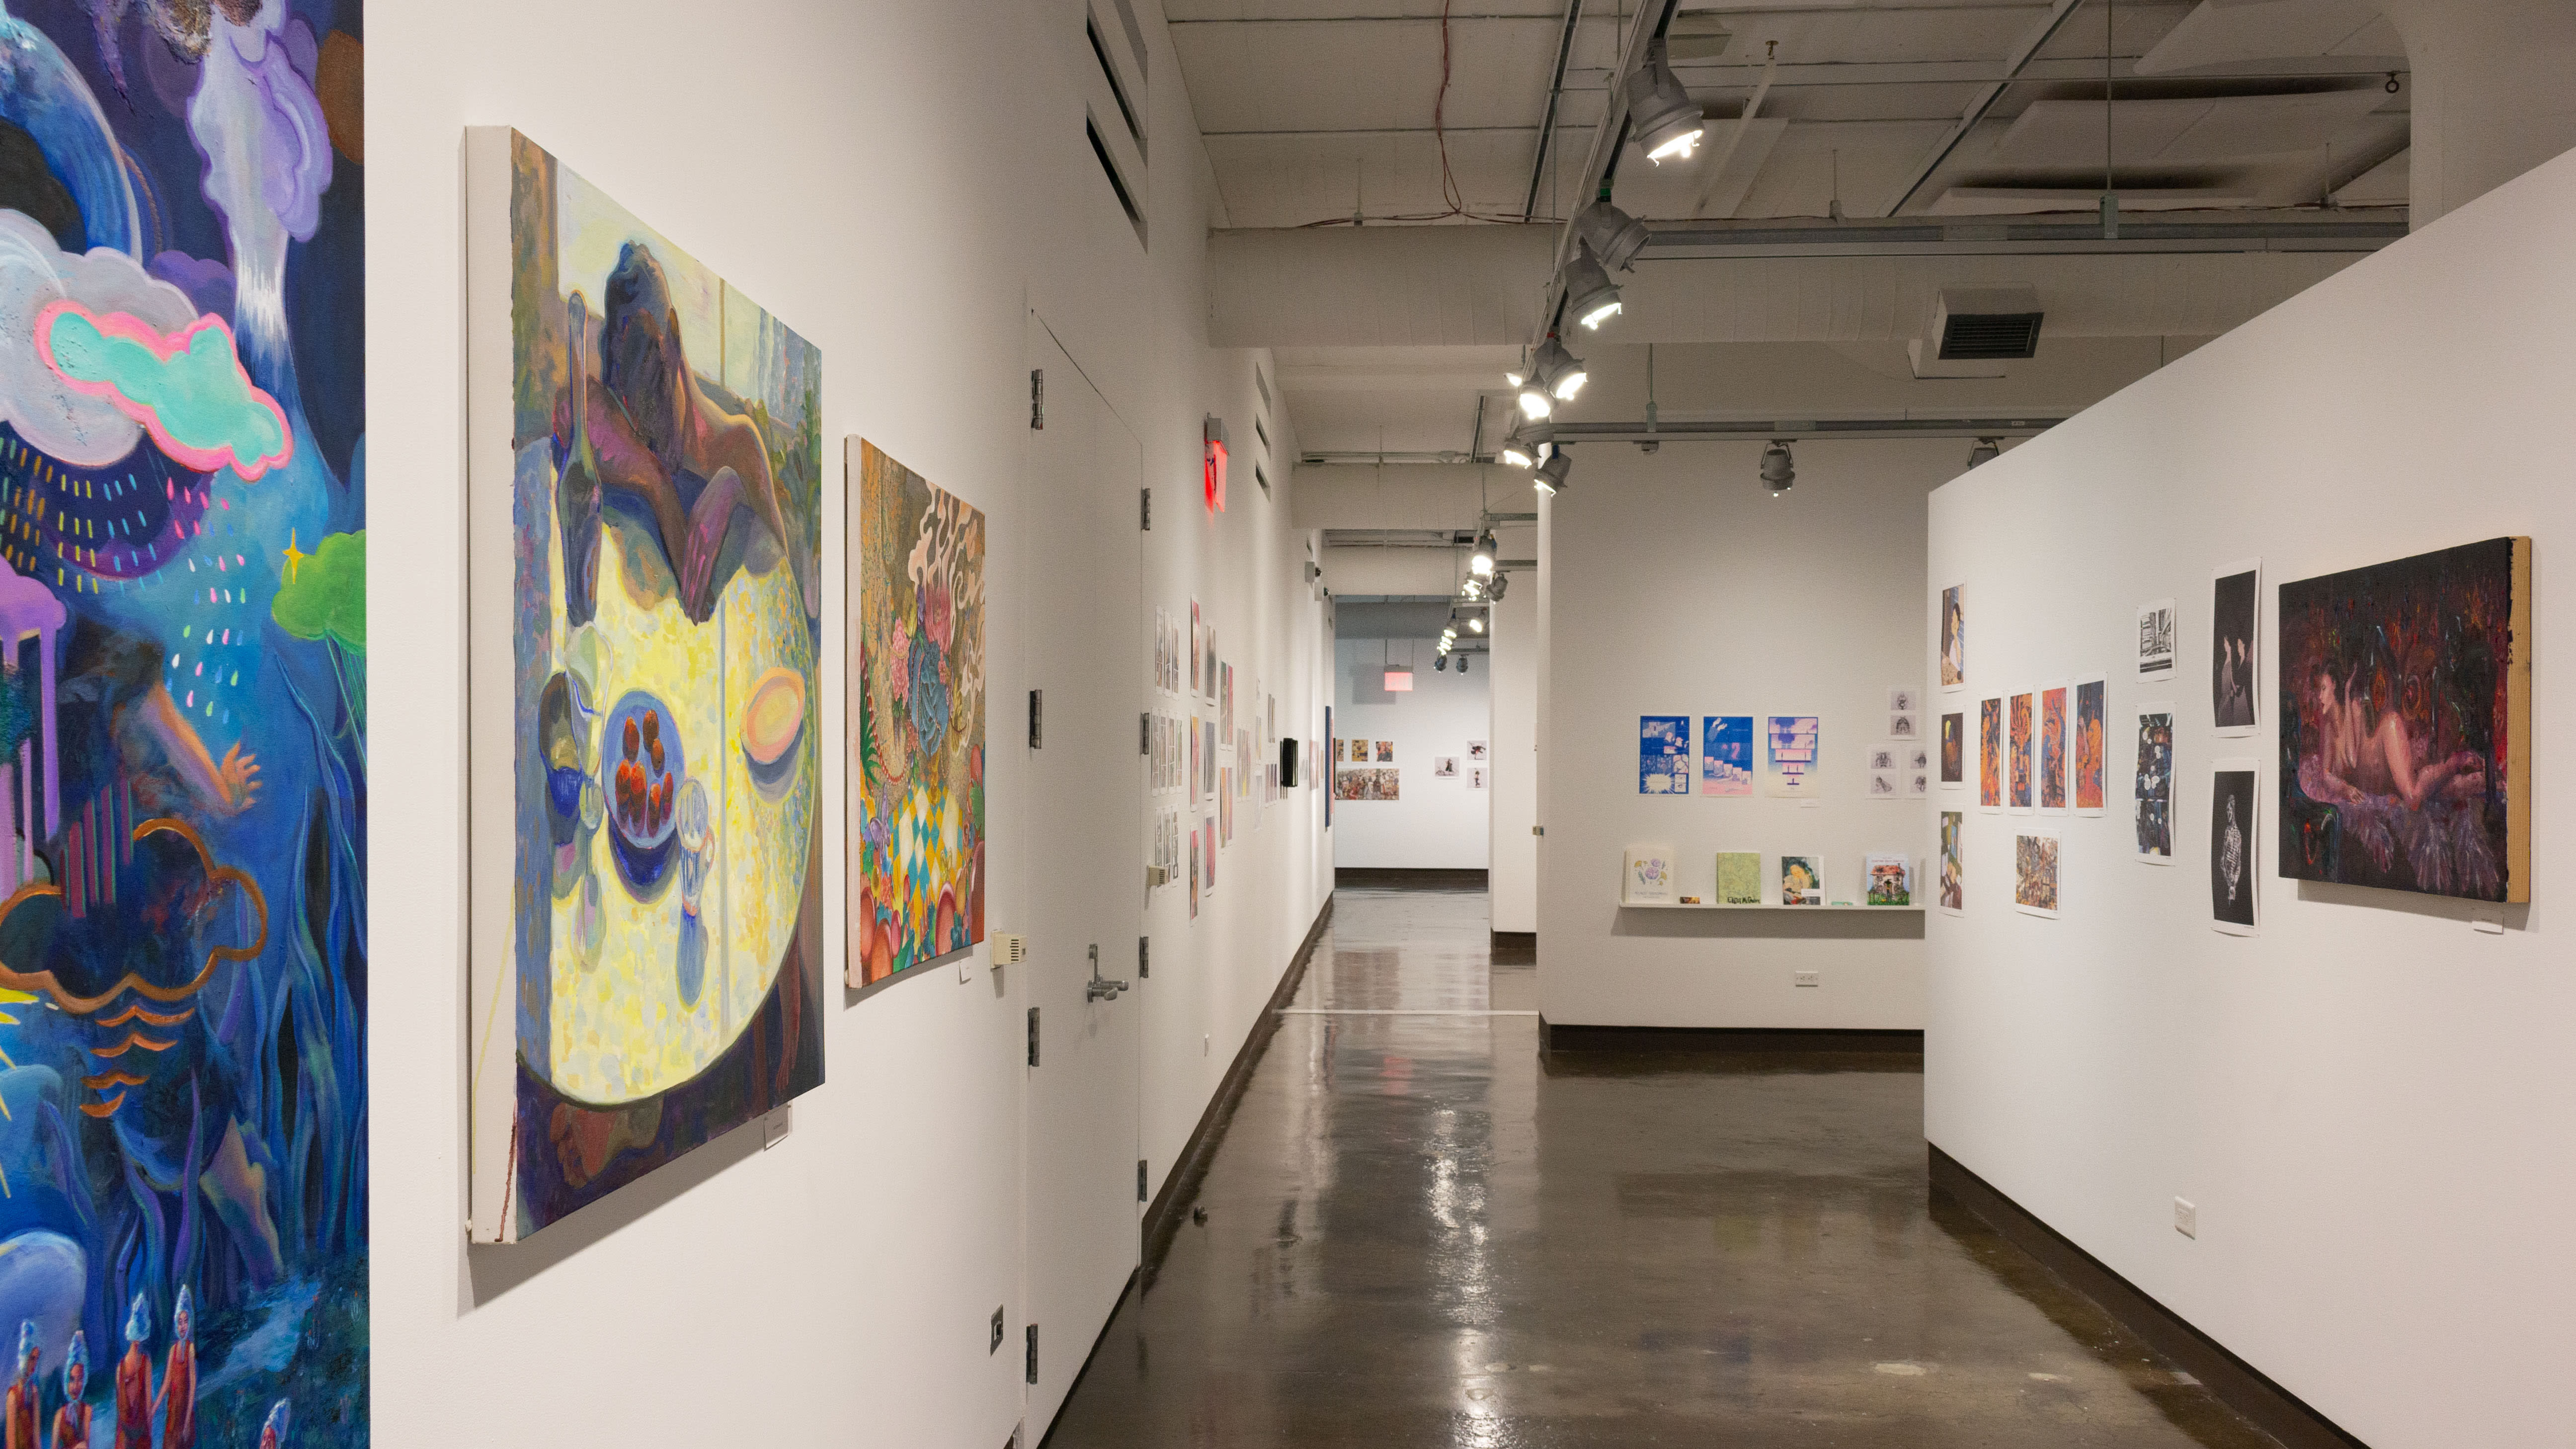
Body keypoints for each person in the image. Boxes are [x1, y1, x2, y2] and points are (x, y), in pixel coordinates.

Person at [2303, 665, 2487, 811]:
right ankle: (2477, 775)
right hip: (2379, 777)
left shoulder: (2354, 707)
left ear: (2335, 686)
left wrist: (2347, 694)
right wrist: (2345, 789)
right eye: (2318, 690)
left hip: (2383, 746)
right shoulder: (2328, 728)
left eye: (2324, 689)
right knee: (2439, 792)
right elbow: (2326, 775)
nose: (2319, 697)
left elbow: (2352, 759)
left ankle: (2455, 762)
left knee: (2413, 798)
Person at [154, 1289, 195, 1449]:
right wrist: (154, 1408)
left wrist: (187, 1422)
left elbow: (192, 1388)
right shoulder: (173, 1350)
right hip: (173, 1414)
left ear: (190, 1323)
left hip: (185, 1413)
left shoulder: (190, 1350)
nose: (183, 1326)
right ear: (176, 1324)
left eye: (186, 1321)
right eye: (180, 1322)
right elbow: (166, 1384)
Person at [112, 1298, 149, 1449]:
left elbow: (147, 1402)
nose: (137, 1343)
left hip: (137, 1431)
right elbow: (121, 1407)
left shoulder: (144, 1363)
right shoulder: (122, 1368)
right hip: (127, 1432)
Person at [52, 1332, 89, 1449]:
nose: (76, 1386)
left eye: (80, 1379)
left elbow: (86, 1445)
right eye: (72, 1380)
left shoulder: (87, 1411)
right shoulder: (60, 1415)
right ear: (66, 1381)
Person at [3, 1324, 36, 1449]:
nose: (35, 1364)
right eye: (32, 1358)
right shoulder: (13, 1396)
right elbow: (11, 1444)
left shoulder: (34, 1392)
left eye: (36, 1359)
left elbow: (37, 1439)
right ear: (24, 1358)